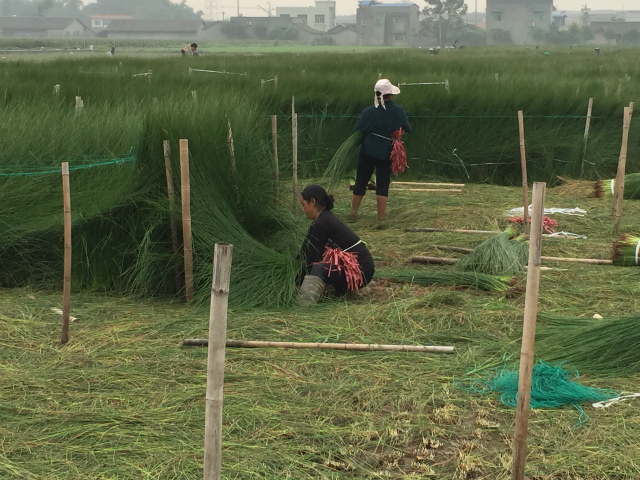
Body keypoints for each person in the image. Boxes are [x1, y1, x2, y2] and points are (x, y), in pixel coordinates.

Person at [297, 185, 375, 306]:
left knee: (318, 268)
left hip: (361, 270)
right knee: (319, 267)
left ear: (312, 202)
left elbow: (311, 258)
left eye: (303, 204)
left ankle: (305, 303)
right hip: (364, 268)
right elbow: (304, 251)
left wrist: (297, 281)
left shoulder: (323, 222)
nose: (303, 209)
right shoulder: (321, 220)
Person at [350, 79, 411, 222]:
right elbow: (407, 128)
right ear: (391, 94)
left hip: (367, 151)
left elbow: (359, 130)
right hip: (386, 152)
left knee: (361, 181)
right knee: (383, 183)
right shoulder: (398, 111)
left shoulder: (367, 112)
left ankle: (353, 213)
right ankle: (381, 218)